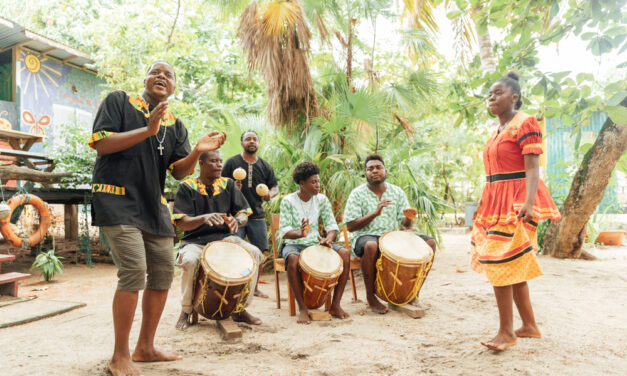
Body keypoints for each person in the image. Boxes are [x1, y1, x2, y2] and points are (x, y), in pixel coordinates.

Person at [90, 60, 226, 376]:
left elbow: (179, 172)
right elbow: (100, 143)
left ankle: (145, 347)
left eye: (169, 75)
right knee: (134, 271)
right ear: (145, 79)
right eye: (156, 71)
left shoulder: (175, 125)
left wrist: (196, 153)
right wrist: (148, 130)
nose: (162, 76)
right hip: (116, 198)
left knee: (163, 272)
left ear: (174, 87)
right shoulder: (119, 101)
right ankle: (119, 356)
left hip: (153, 206)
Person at [471, 71, 561, 351]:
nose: (492, 98)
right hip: (495, 200)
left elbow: (532, 166)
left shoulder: (525, 122)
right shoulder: (496, 130)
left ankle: (506, 332)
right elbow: (494, 173)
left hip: (518, 200)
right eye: (490, 94)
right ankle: (530, 326)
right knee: (512, 264)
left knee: (499, 262)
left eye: (498, 93)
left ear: (514, 96)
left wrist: (529, 202)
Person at [173, 149, 264, 330]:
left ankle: (240, 309)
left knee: (255, 253)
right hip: (195, 242)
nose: (219, 165)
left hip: (224, 240)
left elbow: (244, 213)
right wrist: (203, 218)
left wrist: (237, 220)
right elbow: (181, 223)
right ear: (201, 164)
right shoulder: (187, 187)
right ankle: (186, 310)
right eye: (214, 161)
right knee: (190, 261)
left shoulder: (228, 185)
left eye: (220, 161)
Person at [343, 154, 436, 314]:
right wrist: (375, 213)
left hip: (393, 239)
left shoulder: (396, 192)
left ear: (385, 171)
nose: (374, 171)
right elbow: (351, 226)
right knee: (371, 245)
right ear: (365, 173)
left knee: (429, 243)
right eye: (370, 168)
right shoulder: (357, 194)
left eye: (378, 167)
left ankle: (413, 294)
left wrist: (409, 218)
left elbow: (405, 225)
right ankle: (371, 297)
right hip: (365, 237)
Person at [279, 162, 350, 324]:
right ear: (302, 184)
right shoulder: (288, 201)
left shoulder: (321, 199)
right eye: (313, 182)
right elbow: (284, 231)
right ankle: (303, 308)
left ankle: (335, 305)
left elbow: (332, 227)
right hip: (294, 243)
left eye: (318, 181)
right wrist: (300, 233)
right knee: (293, 260)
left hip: (316, 243)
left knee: (345, 253)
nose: (317, 185)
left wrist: (328, 239)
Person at [222, 130, 279, 298]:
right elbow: (220, 183)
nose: (251, 141)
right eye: (248, 139)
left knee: (260, 252)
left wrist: (270, 194)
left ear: (258, 143)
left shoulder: (265, 166)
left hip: (257, 214)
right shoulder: (232, 162)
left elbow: (275, 186)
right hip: (236, 215)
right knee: (234, 250)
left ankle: (253, 288)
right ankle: (234, 286)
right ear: (242, 143)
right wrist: (232, 187)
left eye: (255, 139)